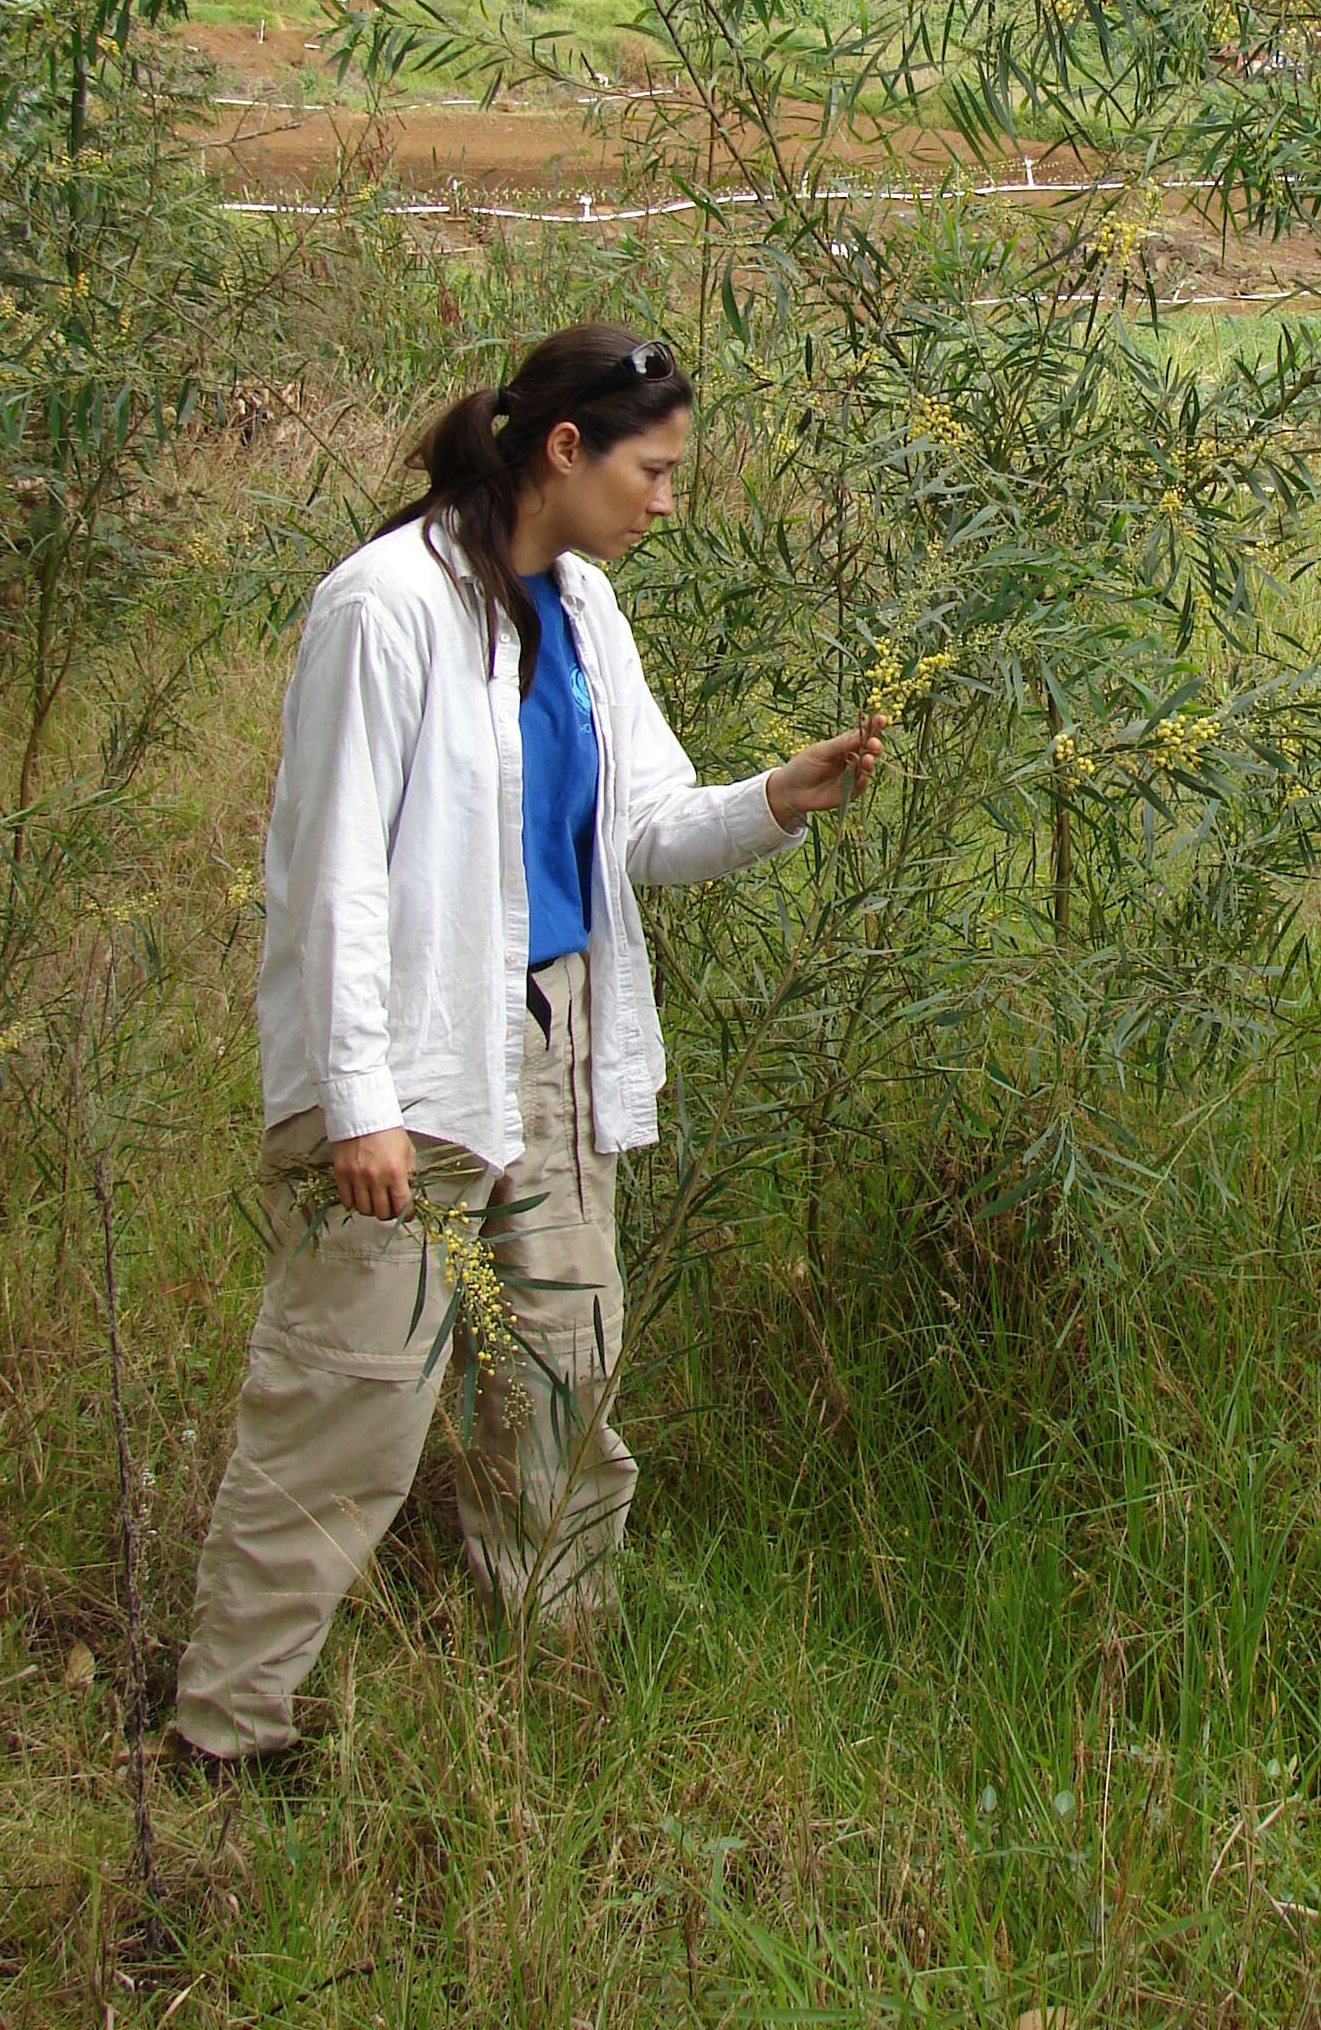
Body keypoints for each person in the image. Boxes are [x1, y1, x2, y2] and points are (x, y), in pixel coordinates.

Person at [173, 324, 884, 1762]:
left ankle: (551, 1677)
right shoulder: (384, 608)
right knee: (351, 1398)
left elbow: (641, 832)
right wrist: (360, 1105)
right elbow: (330, 883)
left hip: (560, 1046)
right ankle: (226, 1727)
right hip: (423, 1063)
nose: (668, 501)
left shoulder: (582, 609)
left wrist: (778, 799)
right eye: (655, 470)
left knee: (566, 1371)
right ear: (565, 450)